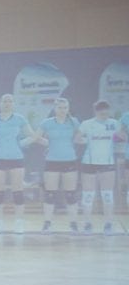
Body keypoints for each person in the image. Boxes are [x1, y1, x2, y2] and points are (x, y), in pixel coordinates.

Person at [0, 94, 36, 233]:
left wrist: (21, 143)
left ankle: (19, 222)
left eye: (10, 101)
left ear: (13, 104)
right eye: (4, 101)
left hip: (16, 158)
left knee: (18, 190)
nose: (7, 103)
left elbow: (32, 136)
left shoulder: (20, 119)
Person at [36, 98, 80, 233]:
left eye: (65, 108)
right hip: (52, 161)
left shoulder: (74, 122)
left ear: (68, 109)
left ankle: (73, 224)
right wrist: (48, 144)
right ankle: (47, 224)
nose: (62, 110)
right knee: (50, 194)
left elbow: (79, 137)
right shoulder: (47, 123)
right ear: (55, 109)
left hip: (69, 160)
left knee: (70, 194)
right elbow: (37, 137)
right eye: (60, 108)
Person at [76, 100, 119, 235]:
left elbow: (120, 137)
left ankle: (108, 224)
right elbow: (77, 138)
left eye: (106, 112)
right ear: (96, 111)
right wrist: (86, 140)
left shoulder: (115, 123)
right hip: (89, 163)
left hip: (107, 163)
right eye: (101, 112)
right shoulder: (87, 124)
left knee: (107, 195)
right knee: (88, 195)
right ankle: (87, 224)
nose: (104, 114)